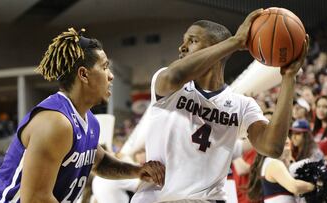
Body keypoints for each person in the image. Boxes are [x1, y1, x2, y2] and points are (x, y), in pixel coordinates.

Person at [131, 8, 310, 202]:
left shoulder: (242, 105)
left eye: (192, 40)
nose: (182, 47)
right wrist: (235, 42)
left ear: (217, 47)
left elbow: (272, 147)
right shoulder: (168, 84)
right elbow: (175, 75)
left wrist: (288, 78)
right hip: (159, 198)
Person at [0, 28, 165, 203]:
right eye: (104, 67)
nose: (111, 76)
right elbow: (35, 199)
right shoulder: (56, 122)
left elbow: (99, 162)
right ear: (84, 74)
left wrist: (137, 171)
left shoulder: (89, 121)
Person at [247, 138, 315, 203]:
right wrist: (315, 186)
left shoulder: (283, 163)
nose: (285, 138)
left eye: (286, 135)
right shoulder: (273, 162)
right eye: (281, 135)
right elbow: (294, 187)